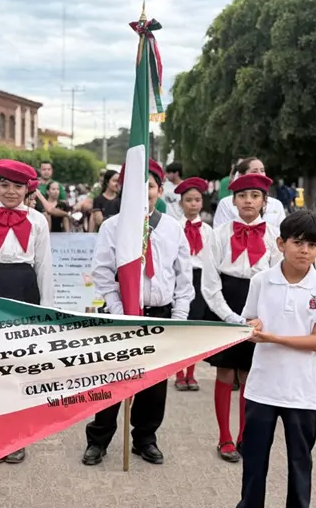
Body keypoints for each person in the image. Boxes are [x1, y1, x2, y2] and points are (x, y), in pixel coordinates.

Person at [222, 210, 316, 508]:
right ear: (281, 243)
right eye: (297, 242)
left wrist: (272, 337)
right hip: (262, 386)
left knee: (301, 460)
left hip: (302, 391)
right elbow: (249, 321)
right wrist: (252, 327)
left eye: (312, 245)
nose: (304, 250)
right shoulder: (261, 281)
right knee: (255, 457)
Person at [82, 159, 194, 467]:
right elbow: (102, 272)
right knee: (112, 378)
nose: (144, 193)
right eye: (136, 187)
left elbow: (183, 277)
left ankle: (145, 438)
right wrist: (120, 310)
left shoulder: (172, 228)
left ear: (160, 189)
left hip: (159, 313)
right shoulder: (113, 227)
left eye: (150, 186)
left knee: (154, 383)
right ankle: (98, 439)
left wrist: (178, 317)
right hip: (122, 313)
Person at [0, 159, 53, 464]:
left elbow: (44, 266)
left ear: (28, 189)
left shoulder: (38, 221)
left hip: (25, 290)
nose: (11, 192)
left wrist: (47, 311)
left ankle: (16, 436)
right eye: (4, 185)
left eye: (17, 186)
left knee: (18, 363)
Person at [201, 173, 282, 462]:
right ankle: (224, 437)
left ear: (264, 202)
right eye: (242, 196)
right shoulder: (218, 234)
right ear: (233, 201)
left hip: (259, 306)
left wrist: (260, 316)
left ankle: (244, 436)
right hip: (225, 302)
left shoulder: (274, 235)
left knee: (250, 373)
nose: (248, 201)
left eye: (255, 196)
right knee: (225, 370)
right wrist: (227, 315)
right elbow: (210, 282)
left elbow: (276, 279)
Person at [173, 177, 213, 391]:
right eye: (188, 200)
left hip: (200, 279)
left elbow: (212, 259)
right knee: (181, 325)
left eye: (197, 200)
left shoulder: (208, 230)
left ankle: (191, 373)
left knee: (195, 326)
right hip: (179, 278)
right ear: (181, 203)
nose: (193, 204)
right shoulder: (174, 228)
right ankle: (179, 373)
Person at [212, 158, 286, 229]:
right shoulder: (226, 203)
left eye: (262, 170)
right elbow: (220, 231)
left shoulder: (276, 204)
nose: (260, 174)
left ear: (263, 202)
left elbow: (283, 232)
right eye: (254, 171)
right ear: (241, 175)